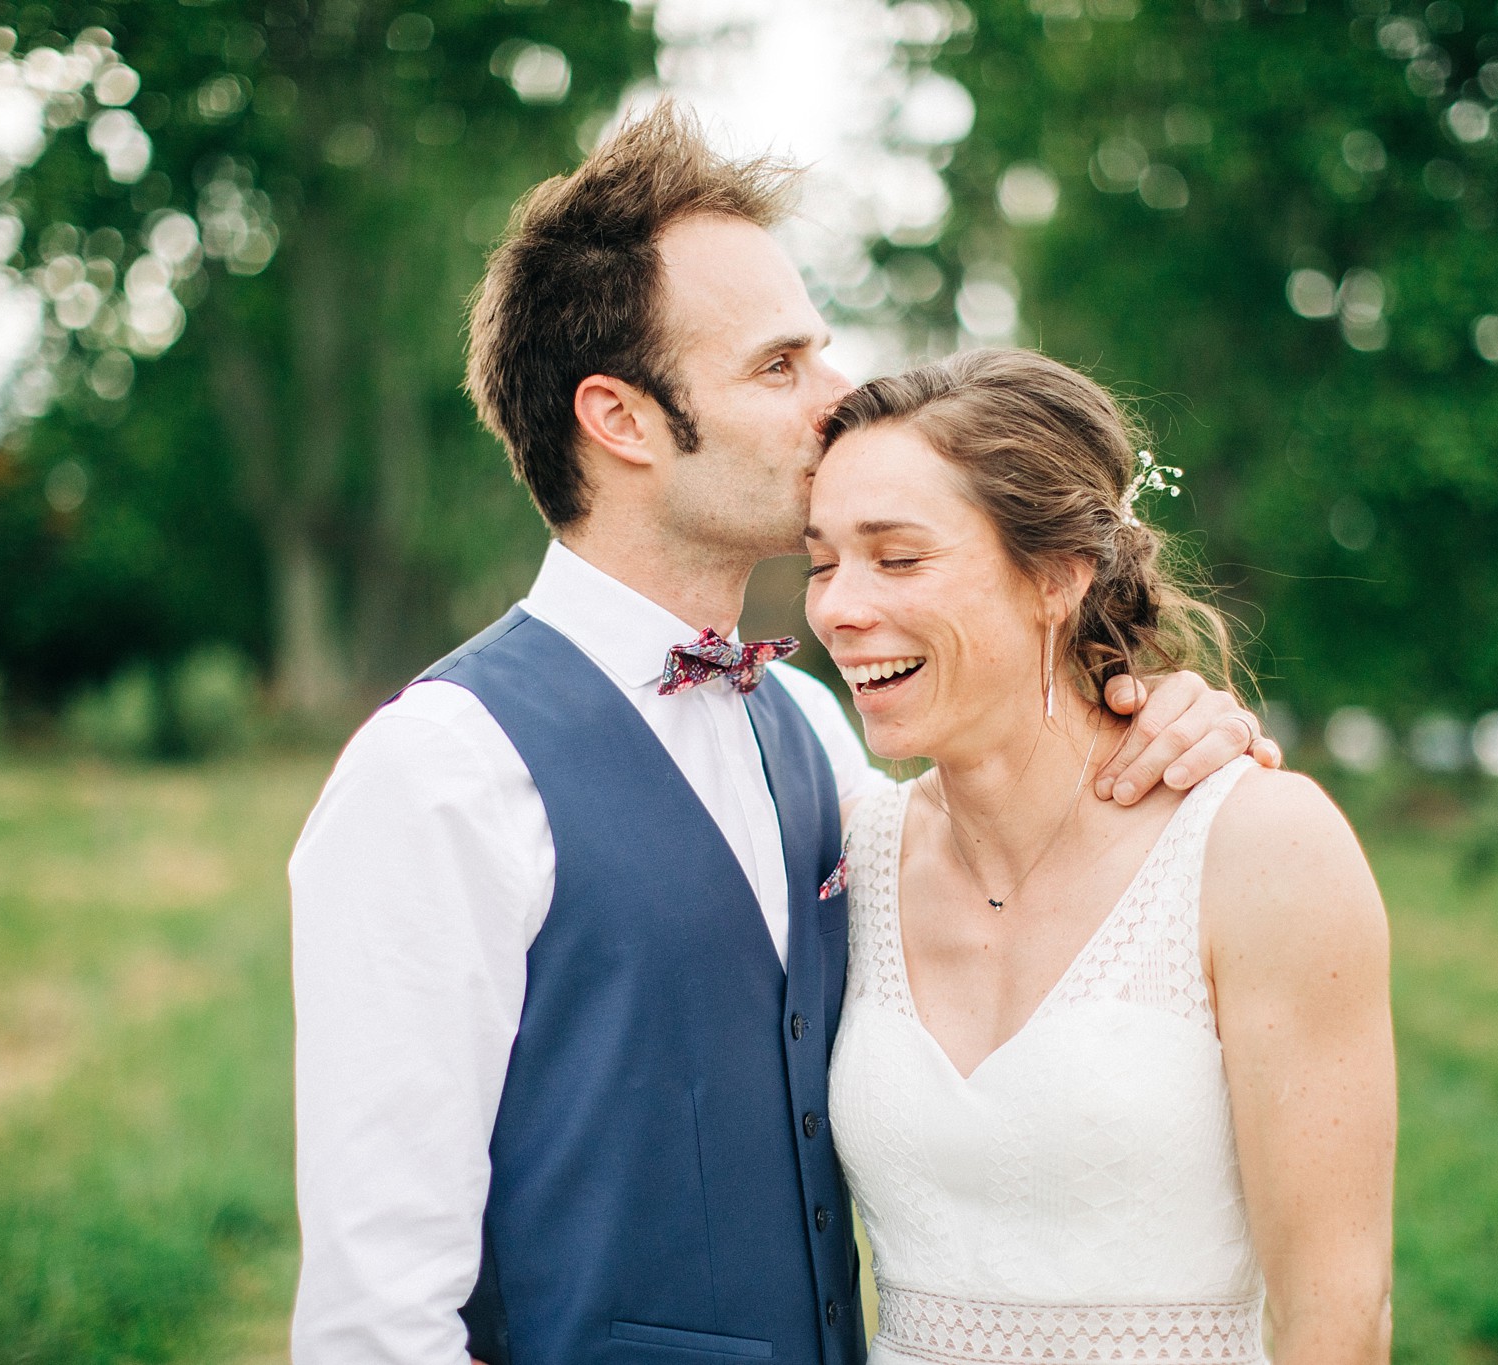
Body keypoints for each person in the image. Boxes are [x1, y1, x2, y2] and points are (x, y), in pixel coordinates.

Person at [287, 106, 1279, 1365]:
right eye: (777, 367)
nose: (837, 400)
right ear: (622, 420)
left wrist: (1165, 722)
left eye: (823, 353)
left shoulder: (813, 724)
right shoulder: (437, 773)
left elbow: (1021, 863)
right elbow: (374, 1317)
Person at [806, 350, 1396, 1365]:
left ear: (1057, 577)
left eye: (896, 558)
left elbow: (1334, 1315)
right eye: (819, 562)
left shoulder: (1256, 848)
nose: (836, 609)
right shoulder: (841, 854)